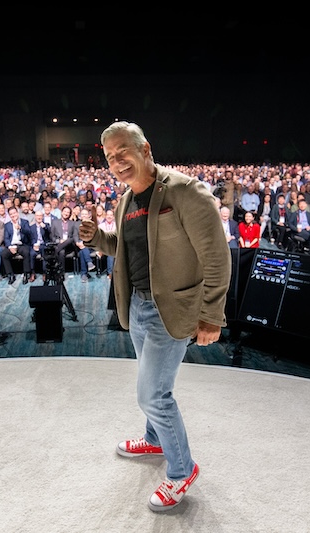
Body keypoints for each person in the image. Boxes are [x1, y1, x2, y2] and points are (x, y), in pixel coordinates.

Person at [79, 122, 230, 512]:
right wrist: (96, 237)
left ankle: (182, 471)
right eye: (109, 157)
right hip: (139, 307)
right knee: (152, 386)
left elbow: (216, 256)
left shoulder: (184, 191)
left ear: (145, 148)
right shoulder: (126, 200)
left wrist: (212, 313)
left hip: (172, 310)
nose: (116, 161)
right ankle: (155, 440)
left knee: (153, 394)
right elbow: (124, 250)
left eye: (122, 151)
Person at [0, 206, 34, 285]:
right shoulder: (7, 225)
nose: (13, 215)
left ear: (17, 213)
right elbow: (6, 238)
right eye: (11, 214)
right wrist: (10, 247)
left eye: (14, 213)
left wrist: (20, 228)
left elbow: (29, 233)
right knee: (4, 254)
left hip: (22, 244)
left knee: (26, 252)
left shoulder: (24, 222)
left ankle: (26, 273)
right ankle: (10, 274)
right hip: (12, 245)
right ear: (9, 215)